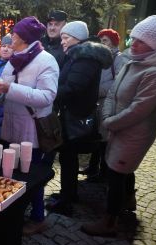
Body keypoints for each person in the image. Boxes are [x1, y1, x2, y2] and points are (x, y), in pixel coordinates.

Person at [81, 15, 156, 237]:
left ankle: (110, 222)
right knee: (122, 169)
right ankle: (129, 200)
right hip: (116, 126)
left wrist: (110, 122)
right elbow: (112, 94)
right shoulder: (134, 61)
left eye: (140, 41)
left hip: (134, 133)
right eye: (133, 39)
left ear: (155, 45)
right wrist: (107, 117)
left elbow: (139, 110)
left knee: (117, 172)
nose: (133, 44)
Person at [0, 16, 59, 235]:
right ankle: (14, 212)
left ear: (25, 39)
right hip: (11, 125)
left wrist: (9, 90)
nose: (12, 39)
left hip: (32, 129)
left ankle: (38, 217)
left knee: (32, 174)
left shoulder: (46, 60)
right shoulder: (14, 59)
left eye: (16, 36)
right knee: (11, 172)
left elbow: (47, 97)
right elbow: (5, 90)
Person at [46, 21, 113, 215]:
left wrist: (49, 93)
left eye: (66, 38)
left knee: (69, 156)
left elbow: (73, 88)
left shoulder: (85, 59)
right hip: (72, 113)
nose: (63, 41)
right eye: (63, 37)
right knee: (68, 157)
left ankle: (66, 200)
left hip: (75, 115)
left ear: (78, 38)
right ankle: (68, 193)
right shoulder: (78, 55)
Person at [80, 29, 128, 182]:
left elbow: (118, 83)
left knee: (105, 140)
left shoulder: (119, 59)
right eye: (101, 40)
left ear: (113, 42)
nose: (102, 43)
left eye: (105, 40)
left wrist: (95, 89)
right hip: (96, 104)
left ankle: (103, 173)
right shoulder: (99, 57)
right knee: (96, 136)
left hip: (108, 105)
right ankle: (93, 167)